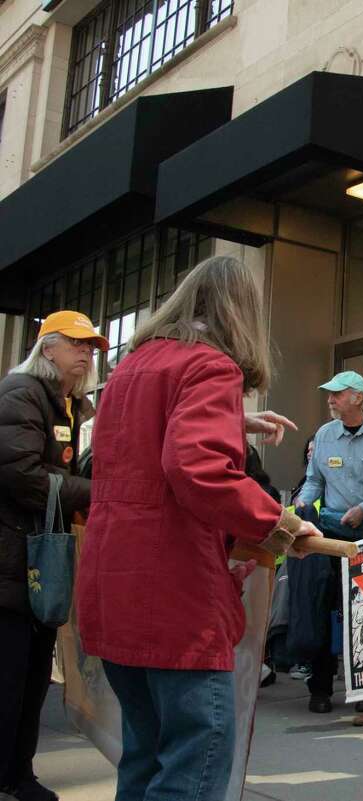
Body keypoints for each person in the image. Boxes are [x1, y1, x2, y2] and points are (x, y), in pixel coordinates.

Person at [76, 256, 321, 801]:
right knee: (193, 767)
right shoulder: (213, 366)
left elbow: (142, 447)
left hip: (113, 586)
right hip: (175, 596)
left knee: (142, 758)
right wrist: (278, 524)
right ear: (242, 312)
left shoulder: (132, 366)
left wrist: (233, 419)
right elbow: (196, 470)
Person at [0, 311, 105, 801]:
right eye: (77, 344)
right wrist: (93, 493)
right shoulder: (22, 393)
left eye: (91, 345)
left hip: (35, 562)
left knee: (32, 676)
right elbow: (21, 475)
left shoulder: (63, 404)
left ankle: (19, 773)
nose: (87, 353)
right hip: (11, 561)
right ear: (48, 349)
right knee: (10, 676)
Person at [293, 371, 363, 716]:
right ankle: (319, 688)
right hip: (329, 533)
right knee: (321, 607)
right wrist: (302, 506)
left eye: (337, 394)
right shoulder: (324, 434)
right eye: (329, 394)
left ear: (358, 398)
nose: (330, 399)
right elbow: (314, 481)